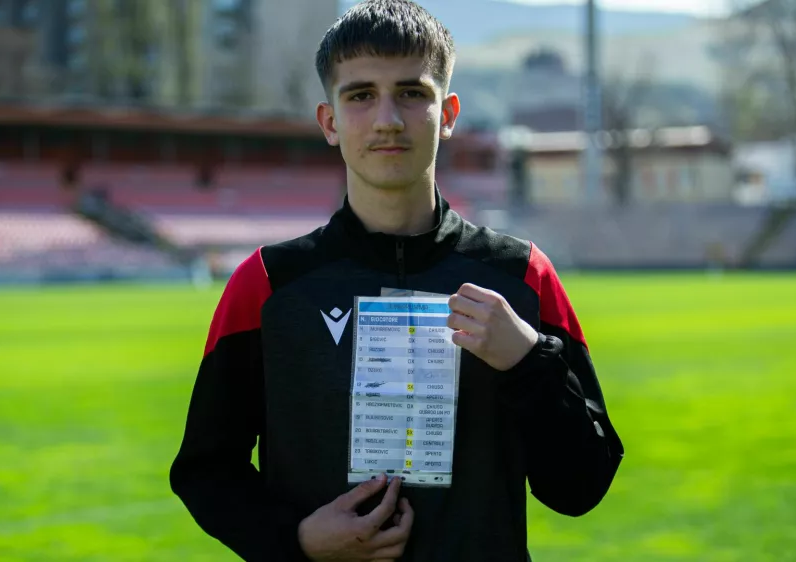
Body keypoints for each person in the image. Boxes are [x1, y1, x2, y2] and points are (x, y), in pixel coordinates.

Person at [169, 1, 624, 560]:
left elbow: (580, 488)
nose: (388, 118)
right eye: (361, 95)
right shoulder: (266, 284)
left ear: (449, 113)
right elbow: (206, 470)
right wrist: (296, 541)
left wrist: (530, 363)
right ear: (330, 121)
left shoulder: (522, 277)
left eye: (412, 93)